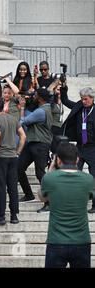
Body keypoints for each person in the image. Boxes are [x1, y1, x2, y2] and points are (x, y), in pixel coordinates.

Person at [39, 143, 94, 268]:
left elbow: (42, 197)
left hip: (56, 241)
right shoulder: (88, 179)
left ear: (58, 159)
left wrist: (50, 170)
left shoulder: (50, 178)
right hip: (81, 240)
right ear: (77, 159)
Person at [0, 97, 26, 225]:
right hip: (13, 157)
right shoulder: (13, 119)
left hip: (0, 157)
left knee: (0, 187)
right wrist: (18, 151)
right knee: (13, 187)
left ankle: (0, 215)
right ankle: (14, 215)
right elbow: (23, 136)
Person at [17, 88, 54, 213]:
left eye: (36, 95)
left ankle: (49, 202)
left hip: (40, 144)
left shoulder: (41, 111)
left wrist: (22, 108)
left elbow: (23, 121)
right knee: (18, 167)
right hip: (32, 143)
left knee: (40, 173)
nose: (34, 97)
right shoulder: (45, 108)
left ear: (40, 98)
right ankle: (28, 194)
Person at [61, 85, 95, 213]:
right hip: (80, 147)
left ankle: (94, 205)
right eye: (81, 99)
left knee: (94, 177)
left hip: (93, 148)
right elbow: (65, 101)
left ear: (92, 99)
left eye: (85, 99)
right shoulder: (79, 107)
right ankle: (74, 203)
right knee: (73, 174)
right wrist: (64, 88)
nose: (83, 101)